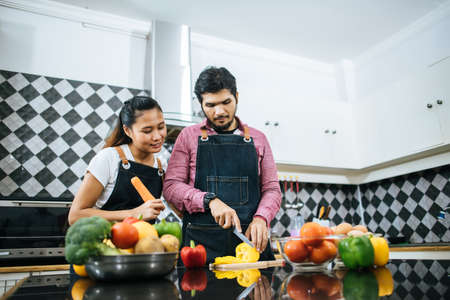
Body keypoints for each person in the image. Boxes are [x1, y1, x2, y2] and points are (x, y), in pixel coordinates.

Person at [163, 66, 281, 262]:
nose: (219, 112)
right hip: (201, 250)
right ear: (200, 103)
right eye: (210, 105)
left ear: (236, 96)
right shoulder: (188, 136)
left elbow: (272, 189)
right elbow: (171, 187)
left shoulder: (259, 139)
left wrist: (261, 218)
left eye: (226, 102)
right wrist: (210, 200)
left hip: (250, 248)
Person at [68, 96, 167, 225]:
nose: (157, 136)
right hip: (104, 242)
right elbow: (75, 216)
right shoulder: (108, 158)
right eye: (147, 131)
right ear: (127, 131)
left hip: (142, 244)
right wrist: (133, 214)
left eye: (161, 127)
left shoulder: (161, 165)